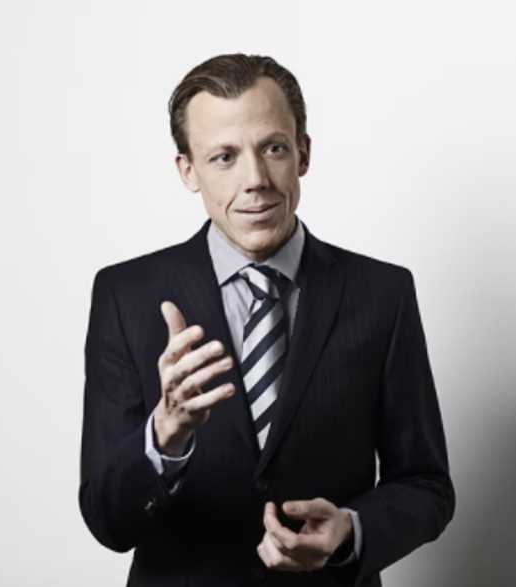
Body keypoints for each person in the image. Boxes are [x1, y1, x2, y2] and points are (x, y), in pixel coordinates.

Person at [78, 53, 455, 587]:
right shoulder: (125, 296)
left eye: (273, 148)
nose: (255, 180)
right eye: (224, 157)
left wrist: (350, 531)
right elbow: (106, 520)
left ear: (303, 153)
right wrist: (164, 435)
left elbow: (426, 486)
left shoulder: (382, 293)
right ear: (188, 170)